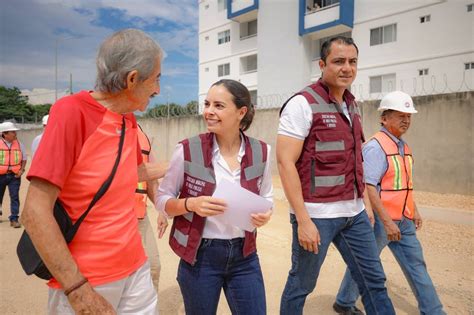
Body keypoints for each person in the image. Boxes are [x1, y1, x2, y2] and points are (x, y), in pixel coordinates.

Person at [21, 29, 166, 315]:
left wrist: (179, 164)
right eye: (156, 79)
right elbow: (34, 212)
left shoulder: (128, 120)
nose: (158, 90)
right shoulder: (71, 112)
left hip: (135, 268)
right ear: (132, 79)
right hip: (87, 278)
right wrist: (78, 291)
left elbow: (130, 171)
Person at [277, 36, 395, 315]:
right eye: (338, 61)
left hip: (353, 214)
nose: (347, 68)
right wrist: (303, 220)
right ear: (322, 64)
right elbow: (285, 162)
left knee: (374, 282)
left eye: (352, 62)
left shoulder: (353, 105)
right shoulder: (301, 104)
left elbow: (355, 160)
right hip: (317, 216)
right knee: (302, 284)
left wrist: (364, 202)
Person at [156, 79, 273, 315]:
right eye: (207, 104)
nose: (208, 111)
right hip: (201, 257)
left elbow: (267, 196)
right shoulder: (187, 149)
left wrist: (266, 214)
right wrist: (191, 204)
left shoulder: (263, 151)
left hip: (244, 256)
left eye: (218, 106)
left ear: (241, 112)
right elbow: (163, 200)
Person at [334, 91, 446, 315]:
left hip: (403, 220)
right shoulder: (377, 146)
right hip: (382, 221)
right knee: (366, 264)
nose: (406, 120)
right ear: (384, 118)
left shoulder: (404, 147)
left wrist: (415, 210)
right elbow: (369, 186)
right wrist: (386, 222)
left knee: (416, 265)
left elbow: (404, 183)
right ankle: (344, 302)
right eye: (400, 115)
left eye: (408, 116)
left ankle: (434, 311)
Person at [135, 124, 168, 291]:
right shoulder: (103, 127)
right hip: (112, 218)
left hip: (139, 217)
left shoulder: (141, 135)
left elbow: (150, 178)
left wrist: (160, 209)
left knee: (153, 267)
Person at [0, 121, 27, 228]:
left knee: (14, 197)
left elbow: (24, 159)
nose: (15, 134)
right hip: (0, 175)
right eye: (13, 132)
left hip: (14, 176)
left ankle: (14, 218)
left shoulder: (20, 144)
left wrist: (21, 170)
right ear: (4, 134)